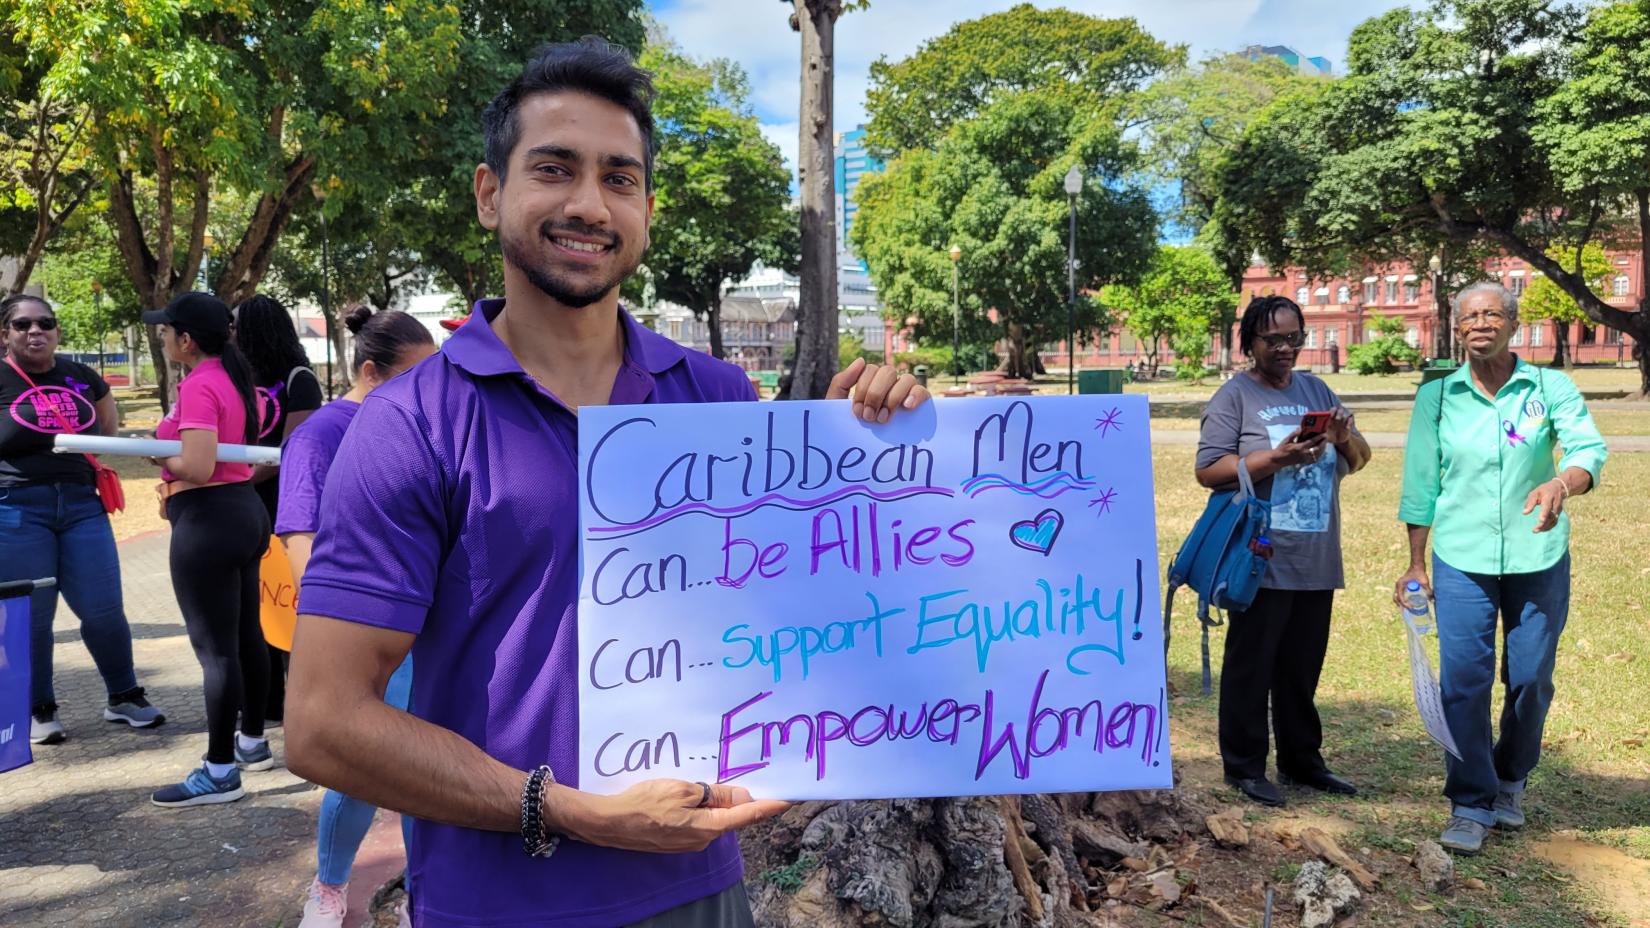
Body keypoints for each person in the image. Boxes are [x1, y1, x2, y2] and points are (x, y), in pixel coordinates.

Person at [285, 38, 930, 928]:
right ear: (489, 194)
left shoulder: (719, 399)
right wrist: (570, 811)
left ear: (647, 209)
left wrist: (872, 457)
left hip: (701, 887)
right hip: (499, 903)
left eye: (619, 178)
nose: (589, 203)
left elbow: (809, 619)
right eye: (555, 169)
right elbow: (324, 723)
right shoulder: (410, 425)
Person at [1395, 282, 1606, 855]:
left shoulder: (1549, 387)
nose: (1480, 324)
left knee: (1531, 677)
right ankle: (1470, 800)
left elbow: (1588, 449)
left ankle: (1510, 779)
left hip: (1538, 555)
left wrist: (1562, 482)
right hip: (1461, 556)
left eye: (1492, 314)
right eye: (1469, 317)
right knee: (1463, 680)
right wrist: (1416, 562)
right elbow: (1421, 482)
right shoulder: (1437, 397)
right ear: (1457, 329)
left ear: (1513, 325)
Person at [283, 307, 434, 928]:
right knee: (365, 766)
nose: (428, 395)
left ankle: (425, 889)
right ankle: (329, 887)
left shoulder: (420, 428)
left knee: (439, 765)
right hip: (366, 633)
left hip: (428, 625)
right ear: (370, 373)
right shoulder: (322, 434)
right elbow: (298, 537)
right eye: (413, 380)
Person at [1195, 294, 1371, 808]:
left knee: (1301, 667)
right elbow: (1209, 470)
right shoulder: (1235, 397)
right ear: (1249, 341)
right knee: (1252, 664)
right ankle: (1245, 766)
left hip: (1315, 553)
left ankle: (1302, 760)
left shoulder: (1317, 389)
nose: (1285, 348)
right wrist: (1276, 456)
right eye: (1273, 339)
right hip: (1259, 554)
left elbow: (1359, 460)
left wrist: (1342, 437)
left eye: (1294, 338)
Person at [0, 294, 165, 745]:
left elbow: (106, 432)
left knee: (104, 608)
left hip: (80, 504)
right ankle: (38, 708)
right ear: (5, 334)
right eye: (22, 324)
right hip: (16, 507)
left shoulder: (81, 376)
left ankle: (124, 696)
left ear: (57, 331)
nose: (35, 331)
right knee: (31, 617)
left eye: (45, 323)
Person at [144, 292, 274, 807]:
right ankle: (252, 742)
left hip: (209, 519)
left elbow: (196, 466)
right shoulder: (235, 378)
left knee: (216, 652)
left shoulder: (202, 384)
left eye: (166, 329)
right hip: (242, 511)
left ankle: (220, 771)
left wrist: (158, 449)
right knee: (247, 637)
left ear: (187, 339)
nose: (162, 335)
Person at [234, 293, 324, 727]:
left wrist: (234, 478)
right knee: (252, 606)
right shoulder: (238, 377)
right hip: (241, 502)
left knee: (283, 604)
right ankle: (264, 699)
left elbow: (292, 452)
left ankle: (300, 699)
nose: (232, 335)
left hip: (280, 506)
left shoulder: (298, 378)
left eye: (238, 328)